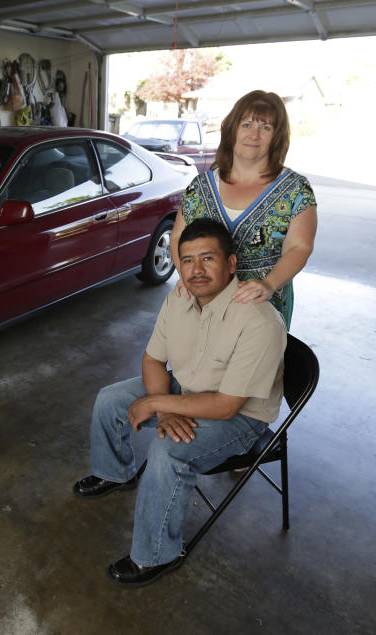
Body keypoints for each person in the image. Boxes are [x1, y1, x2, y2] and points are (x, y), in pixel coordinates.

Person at [73, 218, 286, 587]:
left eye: (207, 258)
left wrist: (157, 402)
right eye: (187, 260)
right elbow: (153, 359)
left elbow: (226, 406)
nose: (196, 270)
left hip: (240, 418)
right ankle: (114, 472)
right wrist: (166, 405)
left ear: (232, 263)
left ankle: (156, 554)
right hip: (184, 390)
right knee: (111, 399)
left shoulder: (259, 322)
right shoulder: (180, 299)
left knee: (168, 451)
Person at [171, 90, 317, 329]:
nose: (254, 135)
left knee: (255, 365)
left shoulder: (295, 189)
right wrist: (187, 276)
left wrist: (269, 284)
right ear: (231, 131)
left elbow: (300, 247)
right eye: (246, 124)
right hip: (202, 304)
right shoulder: (200, 186)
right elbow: (178, 236)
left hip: (261, 308)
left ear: (277, 136)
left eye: (266, 128)